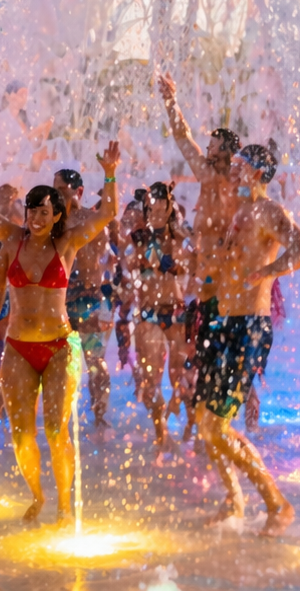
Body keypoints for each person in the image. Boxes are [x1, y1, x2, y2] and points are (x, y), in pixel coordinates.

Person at [0, 136, 119, 524]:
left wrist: (111, 174)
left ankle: (65, 505)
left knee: (55, 429)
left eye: (43, 212)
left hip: (59, 347)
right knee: (20, 435)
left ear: (55, 215)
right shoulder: (13, 240)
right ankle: (37, 494)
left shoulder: (67, 243)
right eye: (31, 210)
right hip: (18, 347)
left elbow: (108, 213)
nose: (35, 218)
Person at [194, 143, 300, 535]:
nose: (232, 170)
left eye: (239, 166)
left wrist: (269, 271)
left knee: (215, 426)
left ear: (258, 174)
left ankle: (278, 504)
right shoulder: (240, 211)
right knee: (204, 420)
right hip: (225, 322)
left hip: (249, 328)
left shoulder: (268, 211)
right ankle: (232, 500)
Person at [156, 73, 242, 446]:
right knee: (196, 361)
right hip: (201, 287)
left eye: (214, 148)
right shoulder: (206, 179)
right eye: (208, 147)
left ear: (229, 153)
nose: (206, 152)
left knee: (214, 363)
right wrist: (171, 101)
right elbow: (181, 136)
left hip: (225, 290)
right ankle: (201, 427)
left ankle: (218, 427)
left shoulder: (239, 191)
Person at [122, 181, 194, 446]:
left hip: (177, 314)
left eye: (162, 206)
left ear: (170, 207)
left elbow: (195, 261)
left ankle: (189, 422)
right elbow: (139, 264)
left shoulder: (180, 235)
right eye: (152, 208)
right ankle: (160, 430)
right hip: (149, 314)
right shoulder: (138, 239)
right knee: (152, 382)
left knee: (182, 378)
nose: (156, 212)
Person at [53, 167, 117, 429]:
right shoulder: (55, 222)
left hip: (87, 301)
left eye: (60, 189)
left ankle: (98, 415)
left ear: (77, 191)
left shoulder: (88, 221)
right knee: (66, 361)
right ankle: (71, 416)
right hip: (64, 301)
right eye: (53, 188)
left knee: (93, 361)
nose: (54, 194)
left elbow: (107, 262)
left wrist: (106, 305)